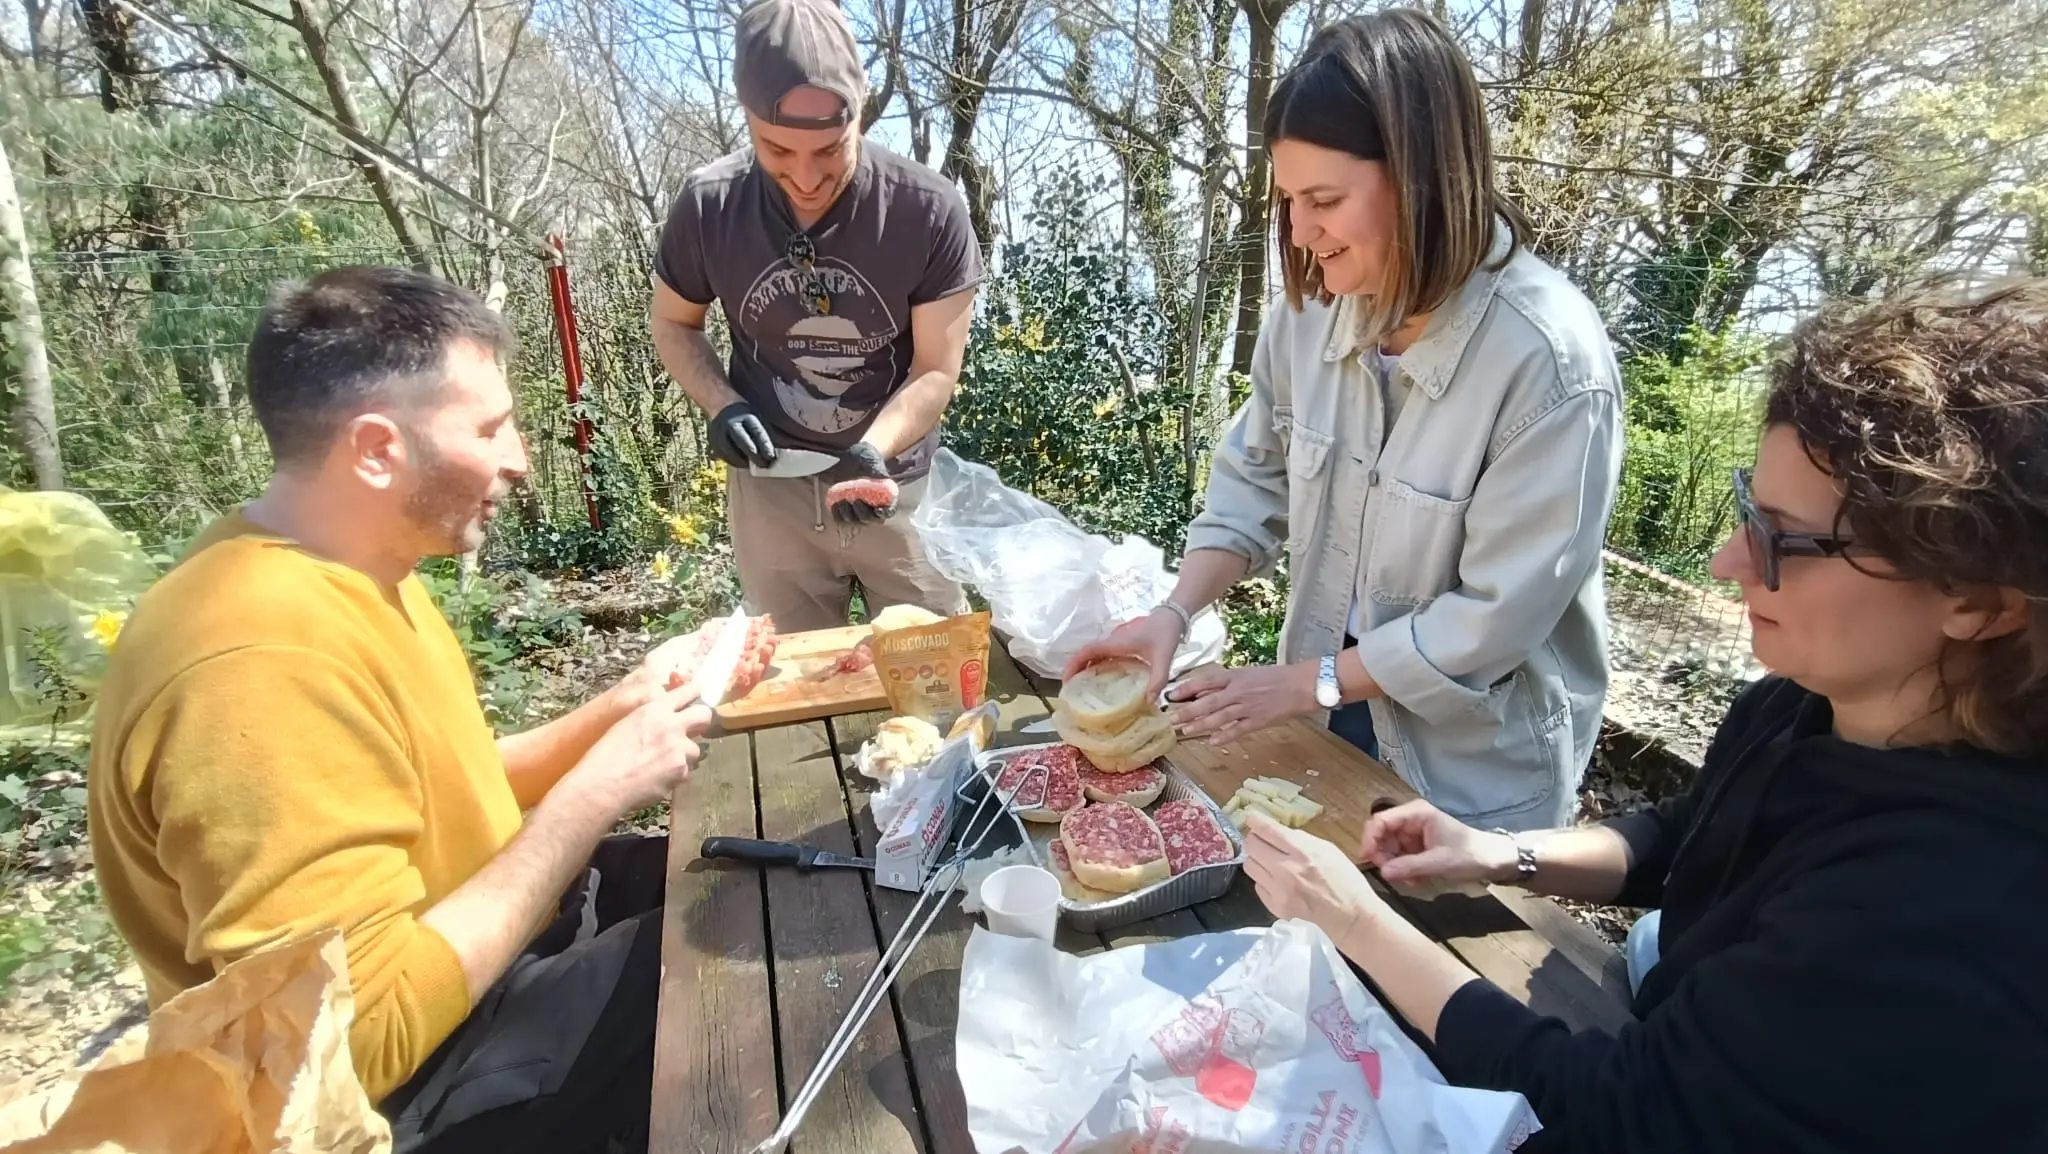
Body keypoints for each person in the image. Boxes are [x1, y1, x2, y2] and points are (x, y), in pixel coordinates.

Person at [1243, 279, 2048, 1152]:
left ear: (1976, 599)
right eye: (1749, 510)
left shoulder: (1938, 915)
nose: (1724, 560)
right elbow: (1690, 833)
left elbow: (1621, 1114)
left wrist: (1355, 923)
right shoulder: (1811, 704)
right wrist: (1497, 853)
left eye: (1782, 540)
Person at [87, 267, 718, 1153]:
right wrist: (590, 796)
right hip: (413, 1086)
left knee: (746, 878)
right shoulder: (258, 662)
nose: (518, 459)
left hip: (488, 950)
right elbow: (353, 1041)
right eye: (490, 429)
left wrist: (618, 708)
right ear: (378, 448)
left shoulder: (345, 567)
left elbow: (425, 787)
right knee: (744, 969)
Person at [1068, 9, 1624, 831]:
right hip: (1323, 715)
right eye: (1289, 200)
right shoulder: (1311, 311)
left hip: (1470, 770)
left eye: (1324, 199)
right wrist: (1172, 615)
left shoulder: (1548, 361)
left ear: (1423, 176)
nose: (1299, 232)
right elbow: (1253, 479)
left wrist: (1307, 683)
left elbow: (1494, 620)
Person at [649, 0, 980, 632]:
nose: (805, 176)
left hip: (897, 487)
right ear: (746, 118)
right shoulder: (709, 206)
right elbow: (673, 322)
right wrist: (723, 404)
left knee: (933, 670)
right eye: (776, 148)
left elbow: (936, 369)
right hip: (772, 488)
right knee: (790, 687)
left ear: (860, 113)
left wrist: (872, 450)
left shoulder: (928, 211)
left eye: (830, 149)